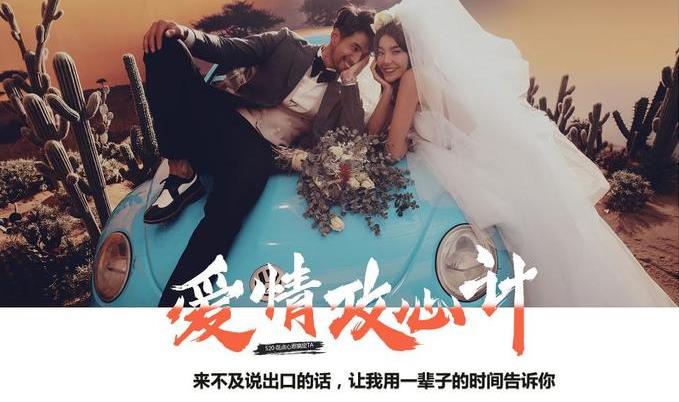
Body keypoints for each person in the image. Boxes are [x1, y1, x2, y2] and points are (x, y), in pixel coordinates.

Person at [365, 0, 675, 306]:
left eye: (396, 51)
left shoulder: (413, 78)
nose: (386, 60)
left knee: (529, 251)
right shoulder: (411, 80)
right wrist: (387, 92)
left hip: (474, 164)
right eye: (380, 52)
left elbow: (393, 150)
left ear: (412, 51)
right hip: (474, 158)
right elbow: (376, 133)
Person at [141, 5, 375, 307]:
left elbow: (352, 140)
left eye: (362, 54)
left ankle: (174, 310)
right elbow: (230, 50)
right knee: (165, 46)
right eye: (353, 47)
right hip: (224, 119)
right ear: (335, 36)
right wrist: (185, 34)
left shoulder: (345, 93)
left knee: (224, 219)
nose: (354, 58)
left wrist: (350, 80)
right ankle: (181, 172)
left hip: (260, 152)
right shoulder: (286, 44)